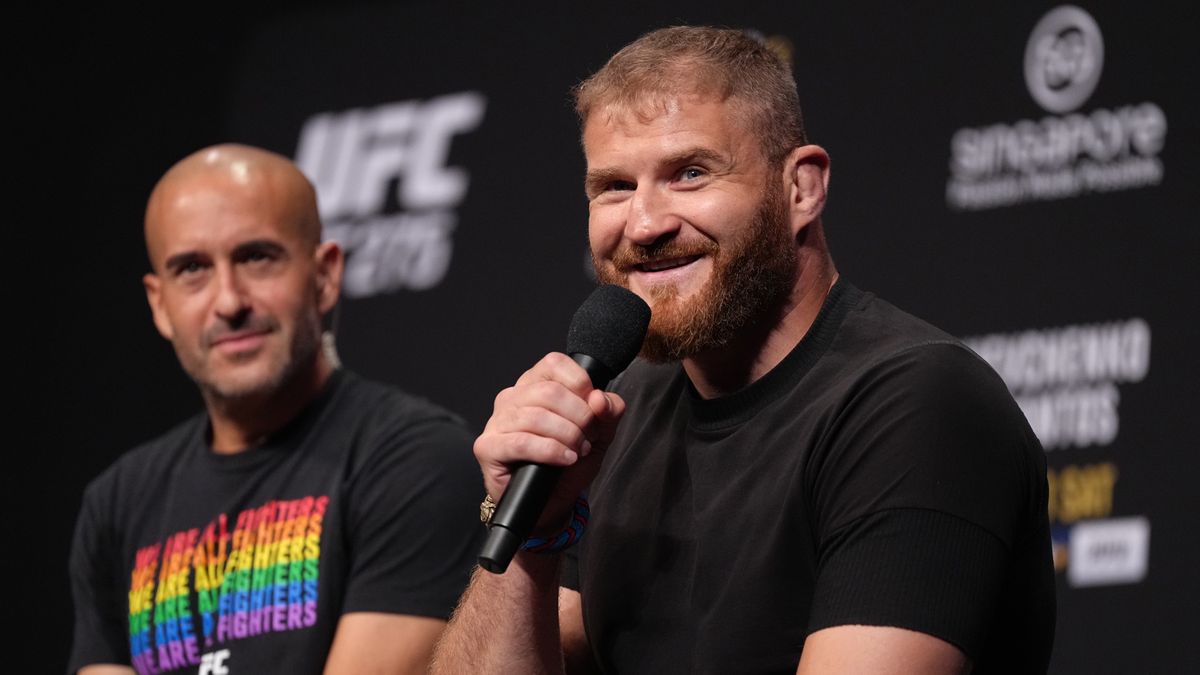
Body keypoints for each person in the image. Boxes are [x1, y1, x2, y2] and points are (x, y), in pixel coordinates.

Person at [431, 25, 1055, 675]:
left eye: (691, 173)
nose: (644, 224)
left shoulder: (917, 404)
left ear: (802, 189)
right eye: (614, 186)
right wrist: (535, 533)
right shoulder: (617, 410)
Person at [67, 143, 484, 675]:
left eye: (256, 257)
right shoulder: (115, 504)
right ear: (159, 303)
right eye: (192, 269)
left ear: (325, 275)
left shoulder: (419, 463)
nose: (229, 301)